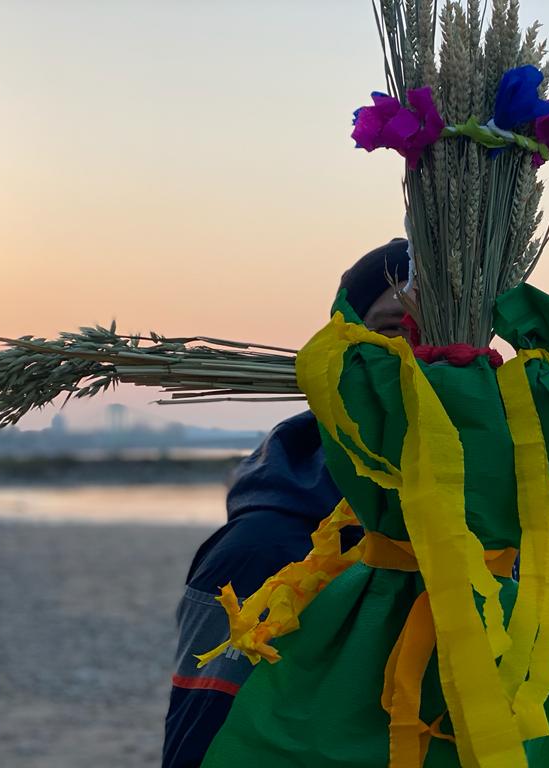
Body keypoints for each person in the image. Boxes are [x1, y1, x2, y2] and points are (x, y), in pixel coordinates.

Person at [162, 238, 411, 768]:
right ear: (340, 345)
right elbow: (200, 734)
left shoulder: (494, 541)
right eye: (393, 329)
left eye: (438, 333)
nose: (418, 356)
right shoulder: (263, 547)